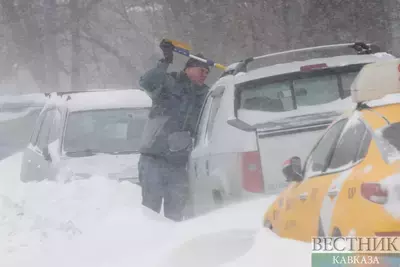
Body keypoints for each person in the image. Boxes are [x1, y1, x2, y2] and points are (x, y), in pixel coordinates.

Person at [138, 39, 210, 221]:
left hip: (178, 163)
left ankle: (171, 246)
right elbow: (146, 82)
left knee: (175, 215)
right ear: (189, 69)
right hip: (154, 158)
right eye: (202, 70)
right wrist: (165, 61)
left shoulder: (205, 95)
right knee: (150, 213)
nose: (205, 75)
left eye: (207, 73)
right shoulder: (170, 84)